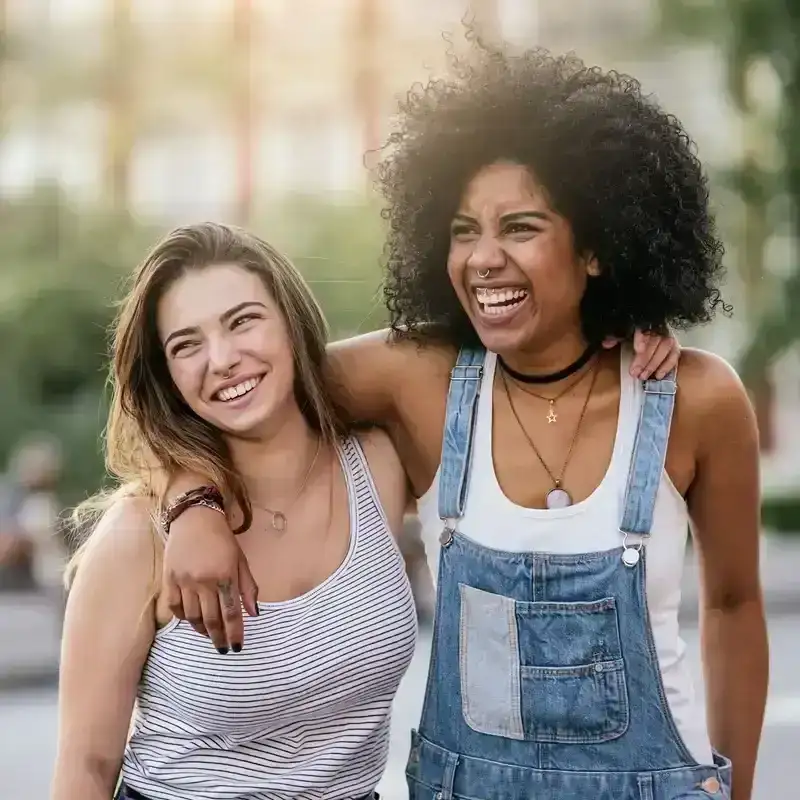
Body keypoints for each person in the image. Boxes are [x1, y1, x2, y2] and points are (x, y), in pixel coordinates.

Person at [160, 39, 767, 800]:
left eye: (520, 227)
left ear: (600, 248)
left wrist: (734, 789)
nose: (482, 259)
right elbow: (240, 391)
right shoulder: (419, 380)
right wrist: (192, 501)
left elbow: (736, 605)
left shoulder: (698, 401)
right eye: (461, 230)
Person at [52, 223, 418, 800]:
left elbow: (472, 352)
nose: (221, 359)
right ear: (167, 377)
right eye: (186, 344)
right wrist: (192, 498)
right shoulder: (137, 536)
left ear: (292, 323)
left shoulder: (379, 466)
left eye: (243, 320)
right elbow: (86, 768)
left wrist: (616, 319)